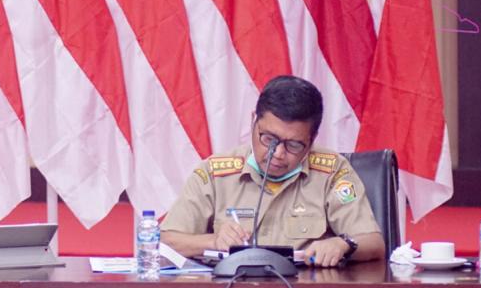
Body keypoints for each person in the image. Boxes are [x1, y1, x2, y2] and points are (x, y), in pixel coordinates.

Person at [160, 76, 384, 267]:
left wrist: (343, 244)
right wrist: (213, 240)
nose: (277, 153)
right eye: (268, 139)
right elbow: (165, 242)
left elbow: (374, 243)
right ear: (253, 121)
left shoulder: (333, 171)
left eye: (293, 145)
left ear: (312, 139)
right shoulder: (214, 174)